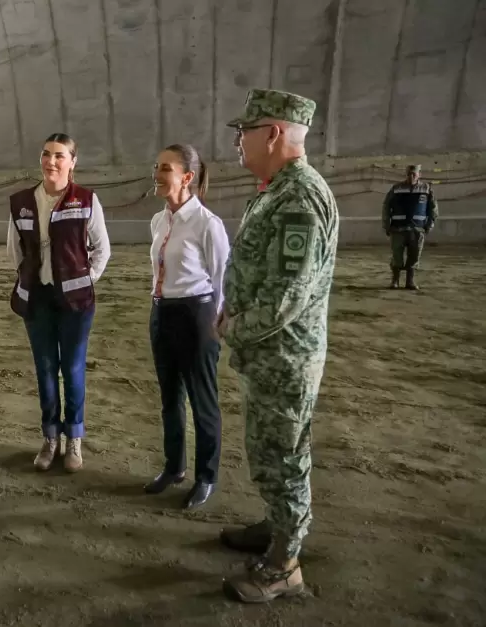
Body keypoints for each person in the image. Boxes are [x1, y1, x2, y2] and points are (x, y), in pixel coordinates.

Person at [217, 89, 339, 603]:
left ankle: (284, 563)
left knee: (284, 453)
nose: (238, 142)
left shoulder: (299, 198)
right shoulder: (275, 188)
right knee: (270, 449)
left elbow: (289, 296)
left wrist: (231, 328)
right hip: (270, 353)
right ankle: (276, 524)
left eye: (244, 131)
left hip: (284, 356)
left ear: (272, 133)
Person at [6, 133, 111, 473]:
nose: (52, 161)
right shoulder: (21, 201)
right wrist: (30, 277)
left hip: (76, 302)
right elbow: (15, 250)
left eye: (60, 156)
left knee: (74, 368)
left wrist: (85, 279)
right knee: (46, 369)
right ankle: (50, 437)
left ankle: (74, 440)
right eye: (46, 154)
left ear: (72, 162)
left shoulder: (86, 200)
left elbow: (101, 248)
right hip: (38, 299)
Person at [144, 144, 229, 510]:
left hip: (197, 316)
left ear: (187, 177)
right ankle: (174, 466)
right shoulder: (158, 220)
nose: (158, 174)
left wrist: (216, 324)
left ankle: (205, 476)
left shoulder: (208, 224)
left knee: (202, 401)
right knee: (170, 399)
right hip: (162, 314)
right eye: (157, 166)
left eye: (166, 168)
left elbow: (222, 279)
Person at [382, 164, 438, 290]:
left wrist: (429, 225)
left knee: (414, 256)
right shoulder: (396, 189)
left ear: (419, 174)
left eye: (414, 174)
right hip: (398, 229)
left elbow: (433, 209)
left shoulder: (426, 189)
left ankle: (410, 281)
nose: (411, 176)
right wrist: (386, 225)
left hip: (417, 230)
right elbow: (386, 207)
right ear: (405, 174)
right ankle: (394, 281)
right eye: (409, 174)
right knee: (397, 256)